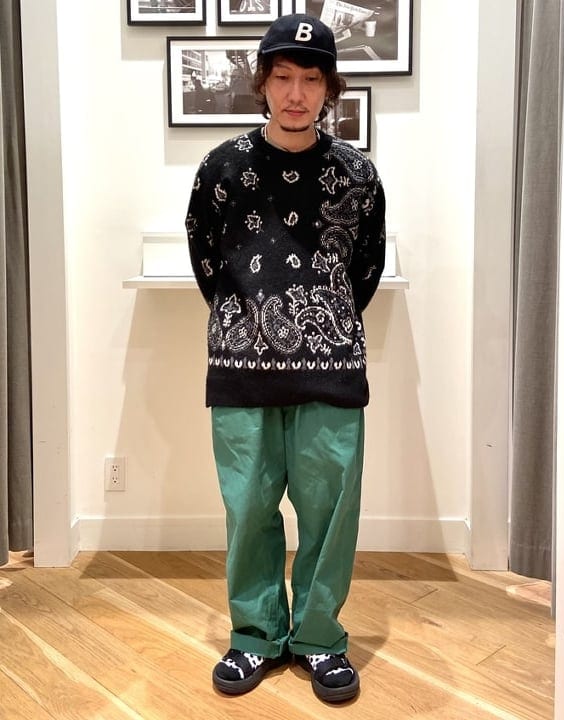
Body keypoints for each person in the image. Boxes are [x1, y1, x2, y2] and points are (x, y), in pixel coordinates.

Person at [185, 12, 386, 704]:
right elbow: (207, 258)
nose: (296, 93)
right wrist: (248, 321)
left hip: (332, 367)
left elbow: (364, 269)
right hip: (240, 366)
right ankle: (256, 635)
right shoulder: (222, 168)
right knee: (247, 509)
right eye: (282, 77)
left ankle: (321, 638)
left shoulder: (357, 174)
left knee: (330, 514)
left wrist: (320, 325)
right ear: (263, 84)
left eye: (310, 79)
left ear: (328, 88)